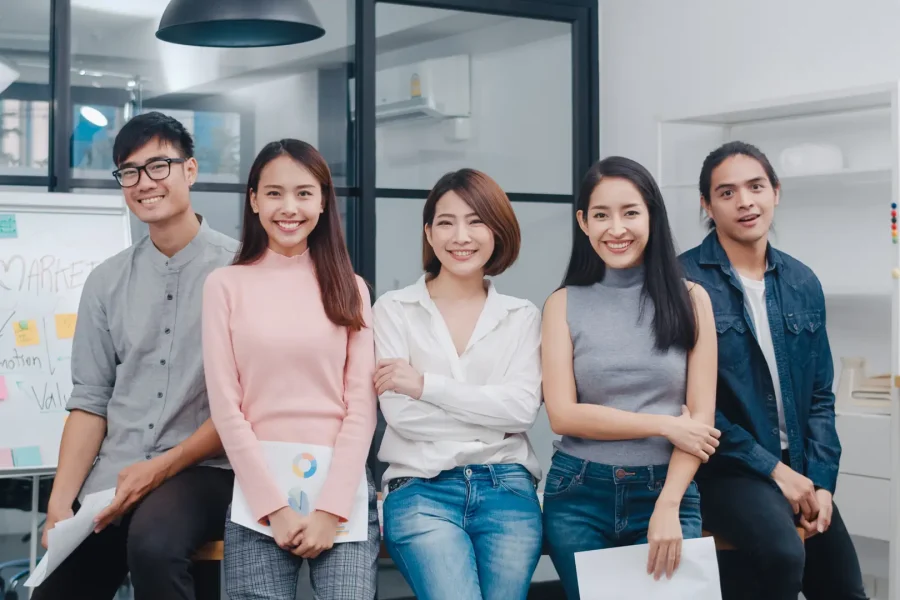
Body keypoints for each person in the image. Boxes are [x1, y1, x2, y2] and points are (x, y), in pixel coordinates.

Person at [33, 112, 238, 600]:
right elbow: (91, 400)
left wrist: (159, 469)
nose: (144, 182)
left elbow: (246, 404)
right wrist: (60, 504)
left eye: (158, 166)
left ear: (190, 170)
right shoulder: (106, 281)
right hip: (115, 475)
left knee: (154, 546)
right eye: (129, 171)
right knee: (53, 590)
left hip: (205, 470)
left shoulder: (240, 271)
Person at [679, 141, 868, 600]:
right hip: (724, 469)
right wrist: (774, 471)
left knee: (845, 589)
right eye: (727, 192)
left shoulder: (802, 282)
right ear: (707, 205)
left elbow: (820, 397)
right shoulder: (682, 282)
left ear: (776, 192)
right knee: (782, 554)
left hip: (798, 465)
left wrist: (821, 483)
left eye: (756, 187)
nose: (745, 201)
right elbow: (685, 404)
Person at [201, 139, 380, 600]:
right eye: (274, 193)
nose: (289, 208)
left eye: (303, 193)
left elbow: (361, 409)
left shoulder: (351, 288)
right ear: (254, 200)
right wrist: (273, 508)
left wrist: (331, 510)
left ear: (322, 202)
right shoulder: (224, 285)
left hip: (340, 491)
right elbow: (227, 408)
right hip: (259, 493)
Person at [541, 156, 720, 600]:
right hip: (578, 494)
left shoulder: (693, 300)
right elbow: (563, 415)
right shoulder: (562, 304)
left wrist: (669, 504)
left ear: (652, 217)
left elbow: (699, 422)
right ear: (583, 222)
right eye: (601, 215)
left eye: (630, 213)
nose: (616, 228)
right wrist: (665, 424)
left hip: (668, 489)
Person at [374, 168, 544, 600]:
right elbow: (403, 416)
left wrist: (425, 386)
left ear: (497, 231)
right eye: (446, 223)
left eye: (476, 222)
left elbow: (522, 411)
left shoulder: (521, 316)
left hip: (508, 488)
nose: (460, 237)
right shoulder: (394, 309)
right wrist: (491, 419)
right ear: (429, 234)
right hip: (420, 489)